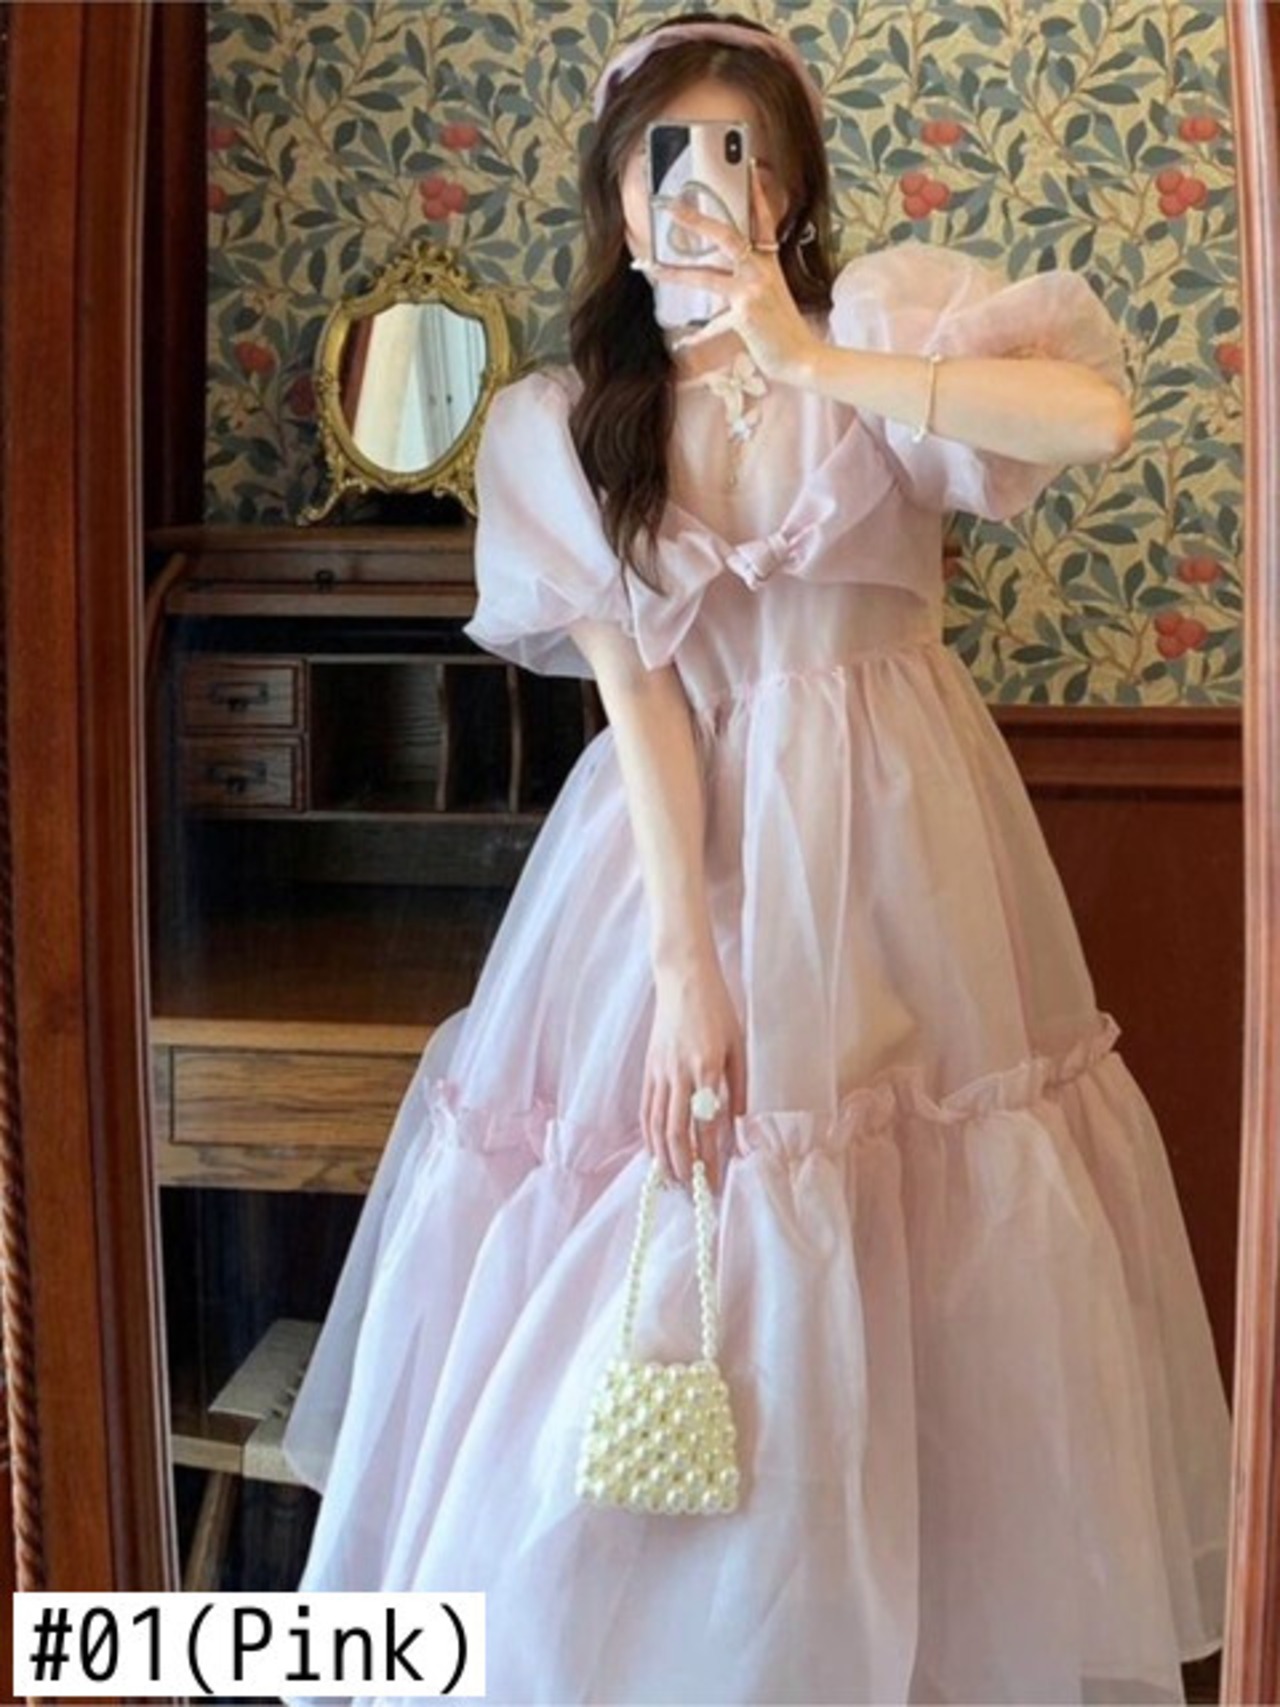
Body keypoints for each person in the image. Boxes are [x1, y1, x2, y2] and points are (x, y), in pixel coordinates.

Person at [280, 14, 1232, 1705]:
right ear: (614, 192)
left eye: (742, 156)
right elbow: (641, 705)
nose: (702, 190)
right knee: (658, 1224)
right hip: (668, 864)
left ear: (789, 190)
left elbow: (1091, 415)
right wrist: (687, 971)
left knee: (906, 1220)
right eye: (666, 157)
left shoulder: (878, 334)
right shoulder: (568, 420)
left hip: (902, 858)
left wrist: (812, 358)